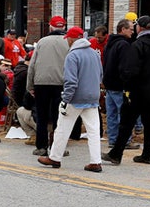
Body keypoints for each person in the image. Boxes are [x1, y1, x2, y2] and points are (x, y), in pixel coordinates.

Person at [104, 15, 150, 165]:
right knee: (149, 122)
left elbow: (129, 70)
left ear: (139, 28)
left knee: (126, 122)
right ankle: (148, 154)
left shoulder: (137, 45)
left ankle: (116, 153)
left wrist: (127, 85)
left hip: (136, 92)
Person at [38, 27, 104, 172]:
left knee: (62, 128)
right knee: (93, 131)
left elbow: (71, 81)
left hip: (75, 98)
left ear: (72, 39)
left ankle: (55, 158)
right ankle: (96, 161)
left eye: (68, 38)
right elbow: (100, 76)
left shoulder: (73, 56)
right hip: (93, 97)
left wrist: (65, 100)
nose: (67, 41)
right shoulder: (94, 54)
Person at [26, 15, 71, 156]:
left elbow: (32, 65)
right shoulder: (69, 43)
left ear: (50, 27)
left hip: (41, 82)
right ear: (63, 27)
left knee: (42, 116)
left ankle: (41, 147)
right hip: (61, 83)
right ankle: (58, 148)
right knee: (60, 117)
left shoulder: (41, 42)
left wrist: (30, 86)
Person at [102, 19, 134, 148]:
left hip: (109, 84)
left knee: (112, 114)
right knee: (124, 114)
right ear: (123, 29)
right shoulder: (124, 45)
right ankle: (124, 141)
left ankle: (113, 140)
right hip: (119, 85)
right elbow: (125, 66)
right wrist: (128, 82)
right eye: (130, 28)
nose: (132, 31)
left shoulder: (109, 44)